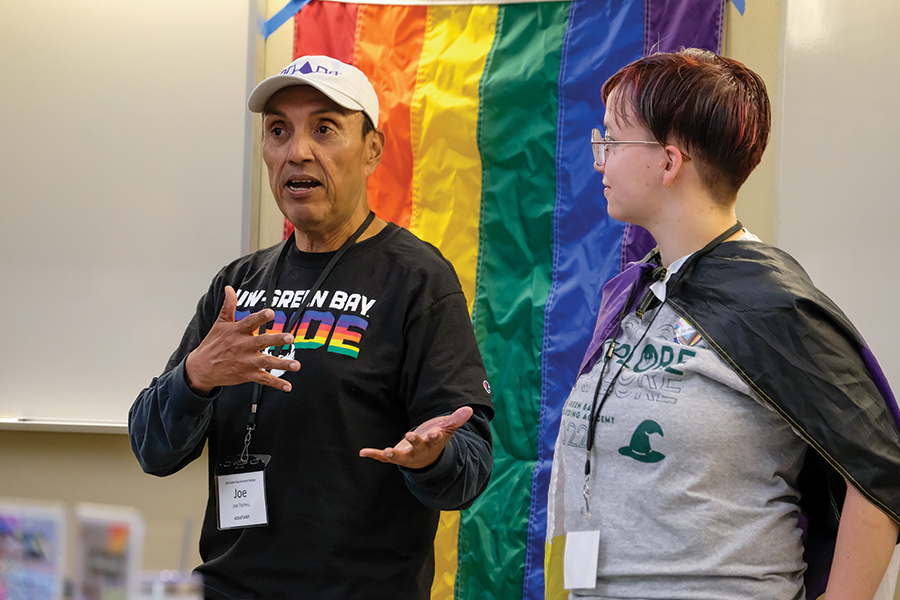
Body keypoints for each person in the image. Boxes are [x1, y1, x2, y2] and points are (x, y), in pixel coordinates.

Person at [128, 55, 494, 600]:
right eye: (279, 131)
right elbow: (152, 448)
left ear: (373, 149)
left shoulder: (418, 279)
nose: (297, 150)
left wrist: (432, 456)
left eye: (325, 129)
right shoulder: (237, 285)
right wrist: (195, 376)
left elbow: (470, 463)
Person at [547, 49, 900, 600]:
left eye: (613, 141)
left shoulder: (773, 305)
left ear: (667, 163)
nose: (600, 160)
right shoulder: (637, 291)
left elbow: (881, 471)